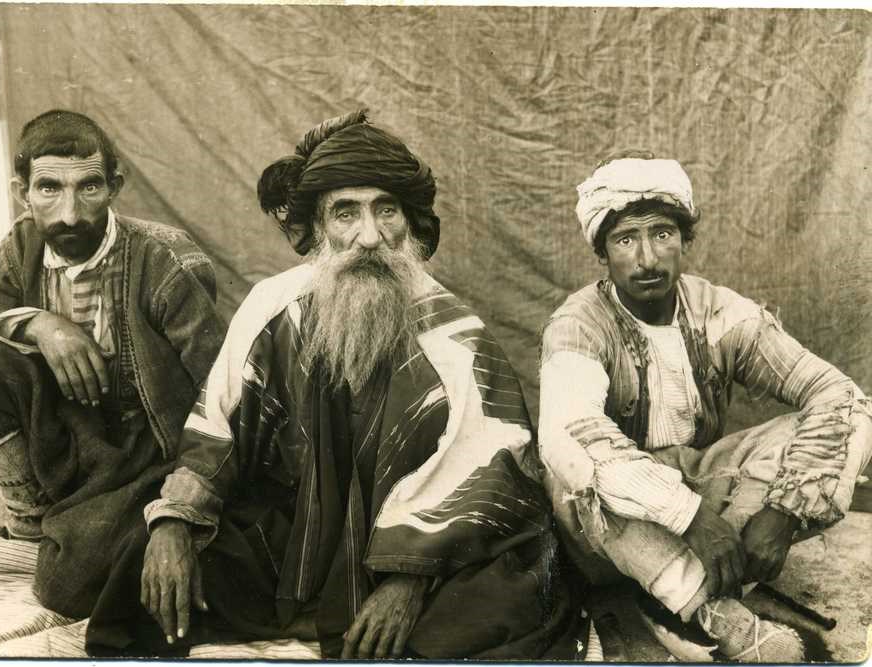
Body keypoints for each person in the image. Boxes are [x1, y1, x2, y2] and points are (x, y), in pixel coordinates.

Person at [81, 110, 586, 658]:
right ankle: (318, 611)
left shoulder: (454, 332)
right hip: (298, 539)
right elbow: (216, 432)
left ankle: (373, 612)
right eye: (346, 213)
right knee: (146, 566)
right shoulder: (275, 307)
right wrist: (174, 524)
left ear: (410, 222)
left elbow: (488, 472)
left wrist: (407, 581)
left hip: (426, 549)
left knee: (511, 601)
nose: (369, 237)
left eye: (386, 210)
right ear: (319, 227)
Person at [539, 153, 872, 662]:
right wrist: (691, 517)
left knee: (851, 418)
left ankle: (683, 590)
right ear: (602, 253)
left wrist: (783, 512)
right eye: (625, 240)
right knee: (578, 472)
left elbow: (835, 394)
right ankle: (711, 610)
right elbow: (570, 437)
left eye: (662, 234)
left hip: (700, 481)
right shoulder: (579, 325)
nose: (647, 259)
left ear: (685, 240)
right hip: (609, 532)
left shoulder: (719, 311)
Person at [0, 111, 225, 599]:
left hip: (144, 453)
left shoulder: (165, 260)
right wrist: (41, 324)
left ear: (114, 187)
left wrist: (181, 503)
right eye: (49, 188)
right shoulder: (18, 249)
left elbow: (221, 392)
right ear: (21, 192)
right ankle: (33, 518)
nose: (69, 214)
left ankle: (87, 525)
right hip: (65, 433)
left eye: (88, 187)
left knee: (66, 585)